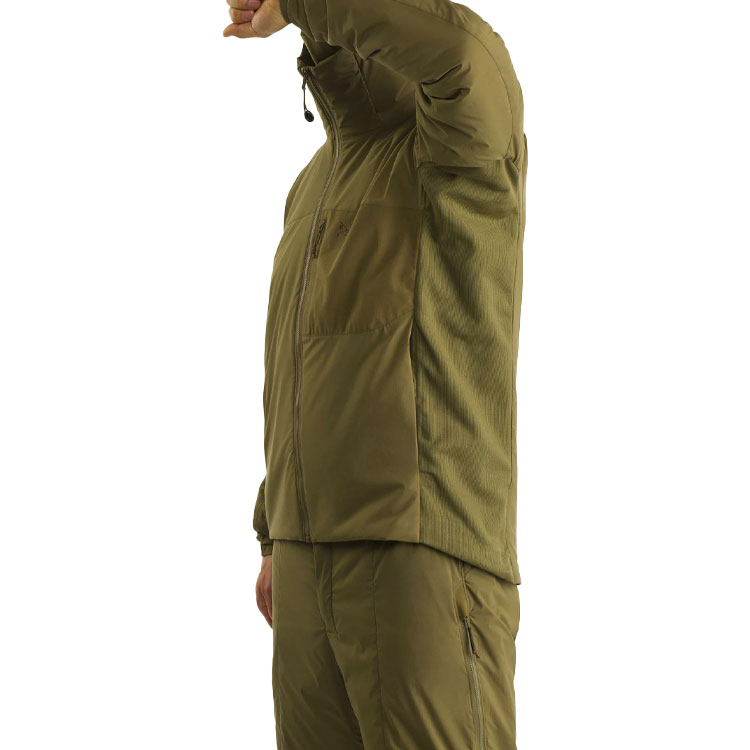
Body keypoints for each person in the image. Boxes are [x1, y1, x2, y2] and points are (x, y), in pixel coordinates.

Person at [224, 0, 527, 746]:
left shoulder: (457, 132)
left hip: (420, 550)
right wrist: (275, 532)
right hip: (306, 558)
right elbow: (301, 366)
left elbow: (457, 51)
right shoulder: (317, 180)